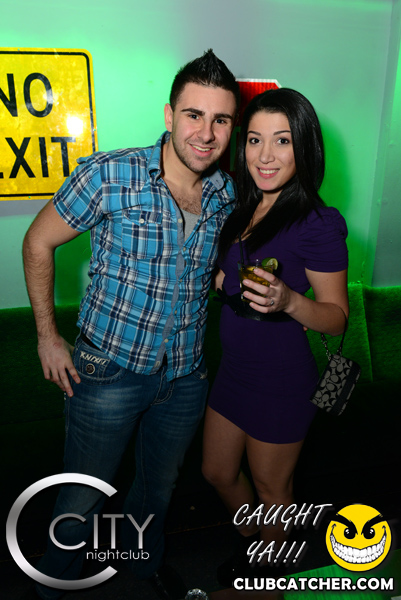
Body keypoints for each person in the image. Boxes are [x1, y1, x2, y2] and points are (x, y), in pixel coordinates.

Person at [22, 50, 239, 600]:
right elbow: (38, 241)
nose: (206, 133)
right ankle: (50, 588)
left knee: (157, 492)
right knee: (82, 497)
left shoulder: (226, 192)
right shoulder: (111, 173)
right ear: (169, 115)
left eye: (220, 120)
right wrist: (47, 337)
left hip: (185, 377)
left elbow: (207, 269)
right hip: (108, 372)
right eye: (194, 115)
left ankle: (142, 569)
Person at [202, 88, 349, 586]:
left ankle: (270, 573)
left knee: (272, 489)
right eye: (254, 140)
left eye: (282, 141)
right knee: (217, 472)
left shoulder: (318, 223)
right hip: (233, 372)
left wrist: (288, 301)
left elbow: (337, 318)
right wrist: (223, 280)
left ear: (304, 147)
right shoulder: (242, 208)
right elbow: (236, 277)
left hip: (281, 380)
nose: (265, 156)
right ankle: (259, 543)